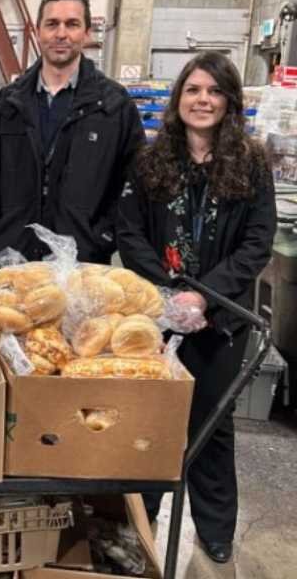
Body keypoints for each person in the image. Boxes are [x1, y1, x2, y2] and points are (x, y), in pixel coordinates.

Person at [116, 51, 275, 564]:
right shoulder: (150, 160)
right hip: (159, 316)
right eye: (193, 90)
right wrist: (167, 290)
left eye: (213, 91)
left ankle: (215, 529)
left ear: (228, 101)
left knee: (213, 422)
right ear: (178, 98)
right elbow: (129, 232)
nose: (202, 100)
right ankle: (140, 524)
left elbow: (257, 242)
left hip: (224, 319)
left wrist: (203, 294)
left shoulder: (251, 165)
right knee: (154, 423)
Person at [0, 0, 144, 263]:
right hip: (13, 257)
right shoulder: (7, 105)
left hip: (82, 261)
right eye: (52, 24)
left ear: (86, 33)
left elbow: (132, 183)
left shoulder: (114, 106)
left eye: (72, 24)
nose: (61, 33)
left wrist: (102, 238)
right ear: (39, 31)